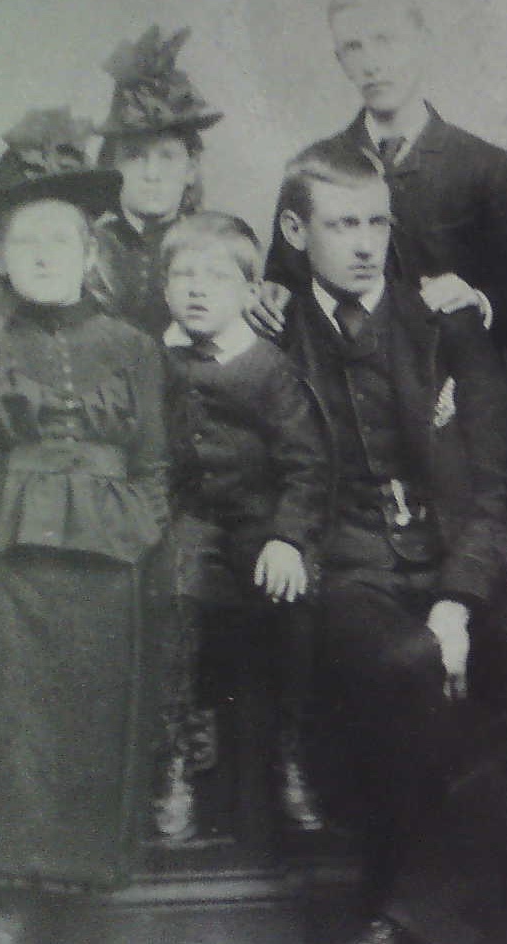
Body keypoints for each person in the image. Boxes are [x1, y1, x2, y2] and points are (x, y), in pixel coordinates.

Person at [271, 138, 507, 944]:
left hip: (450, 557)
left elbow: (492, 485)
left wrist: (457, 602)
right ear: (295, 232)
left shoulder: (445, 322)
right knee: (414, 667)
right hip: (348, 565)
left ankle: (397, 908)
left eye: (377, 223)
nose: (365, 244)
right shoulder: (278, 330)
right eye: (342, 225)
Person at [0, 109, 168, 938]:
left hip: (107, 581)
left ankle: (70, 917)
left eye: (59, 239)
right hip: (11, 576)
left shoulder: (133, 349)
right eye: (23, 241)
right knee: (10, 743)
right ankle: (2, 917)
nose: (41, 255)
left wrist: (140, 545)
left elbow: (153, 467)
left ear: (88, 251)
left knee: (86, 749)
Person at [259, 0, 507, 357]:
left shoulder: (485, 166)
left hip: (453, 375)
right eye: (353, 47)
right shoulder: (312, 168)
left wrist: (478, 301)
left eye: (386, 41)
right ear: (340, 61)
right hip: (342, 379)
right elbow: (283, 286)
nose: (371, 64)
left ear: (421, 42)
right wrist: (268, 299)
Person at [155, 212, 330, 844]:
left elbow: (306, 465)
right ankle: (178, 757)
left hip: (261, 522)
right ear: (165, 287)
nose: (197, 290)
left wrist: (288, 537)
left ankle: (289, 752)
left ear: (250, 291)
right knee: (173, 594)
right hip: (190, 520)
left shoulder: (269, 369)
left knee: (296, 602)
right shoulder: (159, 362)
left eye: (217, 277)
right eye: (183, 276)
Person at [93, 25, 223, 335]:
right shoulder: (92, 250)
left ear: (191, 169)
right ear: (112, 167)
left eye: (167, 157)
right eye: (135, 157)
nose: (152, 174)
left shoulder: (217, 246)